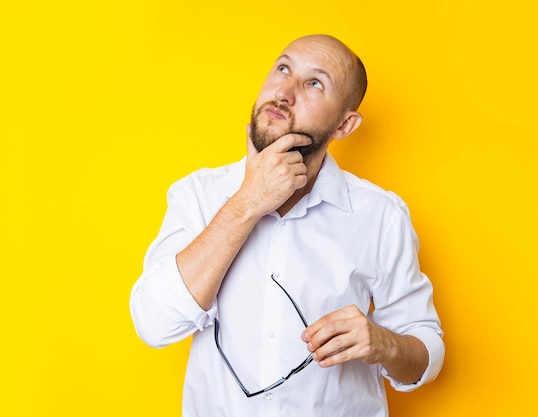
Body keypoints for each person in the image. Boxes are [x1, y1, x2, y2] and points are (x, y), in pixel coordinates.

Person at [130, 34, 444, 416]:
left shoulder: (381, 215)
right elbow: (153, 323)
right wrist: (247, 202)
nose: (284, 92)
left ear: (345, 125)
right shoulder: (198, 195)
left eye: (314, 83)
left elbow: (427, 348)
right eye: (283, 68)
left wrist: (383, 344)